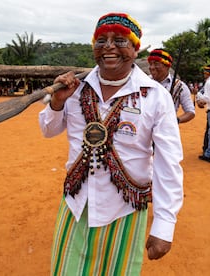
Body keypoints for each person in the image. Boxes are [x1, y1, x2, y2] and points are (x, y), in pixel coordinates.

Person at [39, 12, 184, 274]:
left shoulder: (155, 96)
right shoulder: (74, 89)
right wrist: (57, 102)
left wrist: (164, 225)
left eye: (119, 40)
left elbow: (168, 162)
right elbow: (48, 130)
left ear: (135, 48)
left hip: (124, 212)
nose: (108, 47)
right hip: (75, 206)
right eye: (100, 40)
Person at [147, 49, 195, 123]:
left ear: (167, 66)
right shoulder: (144, 82)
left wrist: (176, 121)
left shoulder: (180, 86)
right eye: (150, 64)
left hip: (166, 131)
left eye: (156, 64)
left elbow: (190, 112)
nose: (152, 67)